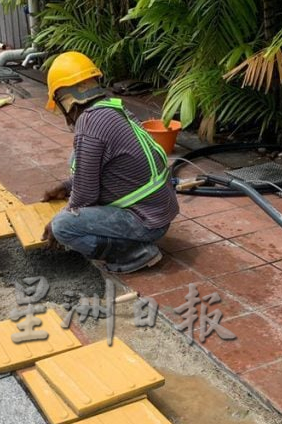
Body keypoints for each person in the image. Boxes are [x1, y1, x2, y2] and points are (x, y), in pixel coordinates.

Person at [41, 52, 179, 274]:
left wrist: (61, 216)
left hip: (145, 222)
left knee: (63, 227)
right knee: (76, 157)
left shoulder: (88, 124)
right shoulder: (114, 107)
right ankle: (134, 242)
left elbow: (85, 198)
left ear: (66, 100)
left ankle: (134, 252)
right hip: (158, 213)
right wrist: (67, 186)